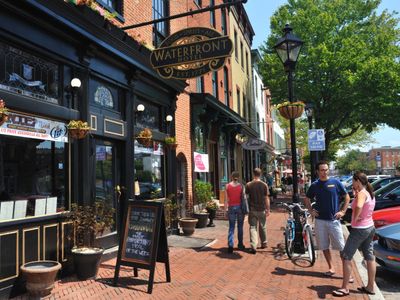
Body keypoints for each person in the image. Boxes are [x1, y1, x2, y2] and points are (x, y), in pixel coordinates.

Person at [304, 161, 351, 280]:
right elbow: (306, 198)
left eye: (326, 169)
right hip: (320, 221)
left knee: (341, 247)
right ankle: (331, 268)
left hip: (334, 220)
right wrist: (311, 211)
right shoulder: (315, 185)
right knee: (324, 246)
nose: (324, 172)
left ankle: (347, 273)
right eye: (322, 170)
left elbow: (346, 197)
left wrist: (343, 211)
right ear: (317, 171)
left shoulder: (335, 182)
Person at [332, 172, 376, 297]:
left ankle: (345, 288)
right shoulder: (369, 192)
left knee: (346, 256)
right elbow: (366, 207)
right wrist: (356, 196)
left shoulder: (362, 194)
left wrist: (355, 218)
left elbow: (360, 206)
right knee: (369, 256)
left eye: (353, 181)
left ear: (358, 181)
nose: (352, 183)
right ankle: (370, 287)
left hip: (360, 230)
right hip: (370, 227)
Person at [245, 168, 270, 254]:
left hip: (252, 209)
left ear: (253, 174)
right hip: (262, 209)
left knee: (253, 227)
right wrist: (268, 209)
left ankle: (253, 245)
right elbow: (266, 198)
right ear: (260, 174)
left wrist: (247, 208)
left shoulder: (248, 185)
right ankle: (264, 243)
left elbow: (246, 197)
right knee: (262, 226)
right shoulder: (264, 185)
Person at [224, 171, 245, 253]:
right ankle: (240, 244)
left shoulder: (227, 186)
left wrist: (225, 210)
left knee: (231, 227)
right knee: (240, 227)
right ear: (238, 177)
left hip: (231, 207)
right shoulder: (242, 186)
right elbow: (243, 198)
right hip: (239, 207)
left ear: (231, 177)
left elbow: (226, 200)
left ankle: (230, 244)